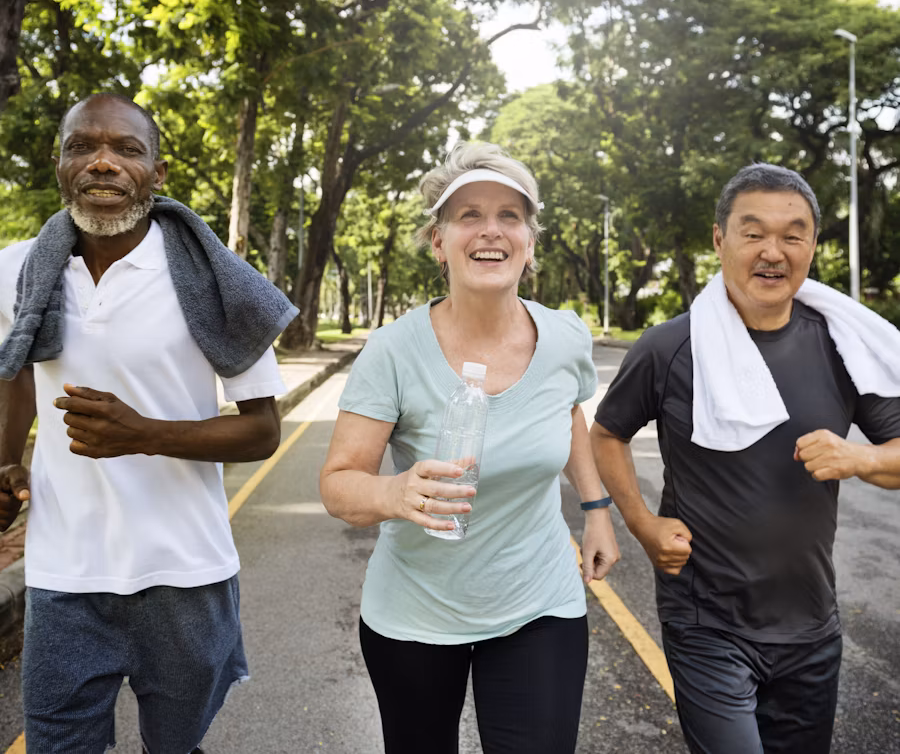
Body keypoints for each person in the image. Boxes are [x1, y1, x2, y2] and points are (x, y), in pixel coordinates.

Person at [0, 93, 298, 753]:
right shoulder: (17, 270)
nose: (102, 163)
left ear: (157, 173)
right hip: (63, 572)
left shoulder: (218, 281)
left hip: (184, 575)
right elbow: (14, 369)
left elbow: (262, 431)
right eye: (83, 146)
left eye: (126, 149)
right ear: (60, 162)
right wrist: (6, 462)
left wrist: (144, 434)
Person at [320, 141, 620, 754]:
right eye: (469, 215)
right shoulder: (393, 351)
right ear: (439, 241)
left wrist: (596, 511)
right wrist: (395, 491)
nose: (491, 231)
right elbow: (339, 483)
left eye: (510, 215)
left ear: (530, 242)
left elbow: (566, 414)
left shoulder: (563, 336)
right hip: (415, 613)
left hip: (539, 601)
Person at [590, 162, 900, 754]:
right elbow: (606, 434)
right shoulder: (670, 348)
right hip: (708, 622)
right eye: (753, 232)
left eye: (793, 234)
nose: (773, 251)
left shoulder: (842, 346)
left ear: (813, 245)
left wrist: (858, 459)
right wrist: (641, 523)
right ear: (719, 239)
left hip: (812, 624)